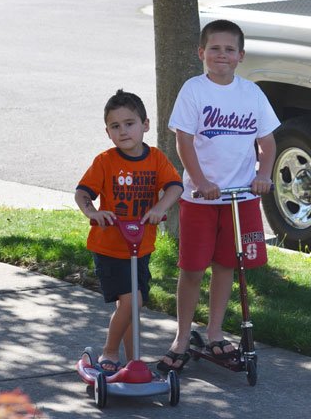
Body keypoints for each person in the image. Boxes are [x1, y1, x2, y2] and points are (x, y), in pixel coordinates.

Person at [157, 19, 280, 374]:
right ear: (201, 53)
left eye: (229, 49)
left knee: (228, 265)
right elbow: (183, 140)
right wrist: (200, 180)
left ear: (241, 56)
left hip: (240, 198)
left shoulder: (251, 93)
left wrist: (263, 175)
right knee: (193, 268)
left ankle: (214, 332)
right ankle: (182, 337)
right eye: (214, 48)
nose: (222, 55)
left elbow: (267, 141)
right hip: (202, 198)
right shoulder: (194, 90)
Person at [75, 89, 183, 375]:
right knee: (131, 301)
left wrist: (160, 207)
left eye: (129, 123)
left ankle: (134, 361)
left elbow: (175, 186)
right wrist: (93, 213)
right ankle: (110, 352)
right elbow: (82, 193)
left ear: (145, 124)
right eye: (115, 126)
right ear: (108, 132)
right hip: (110, 246)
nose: (123, 131)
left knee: (132, 305)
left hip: (140, 245)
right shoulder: (105, 161)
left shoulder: (156, 159)